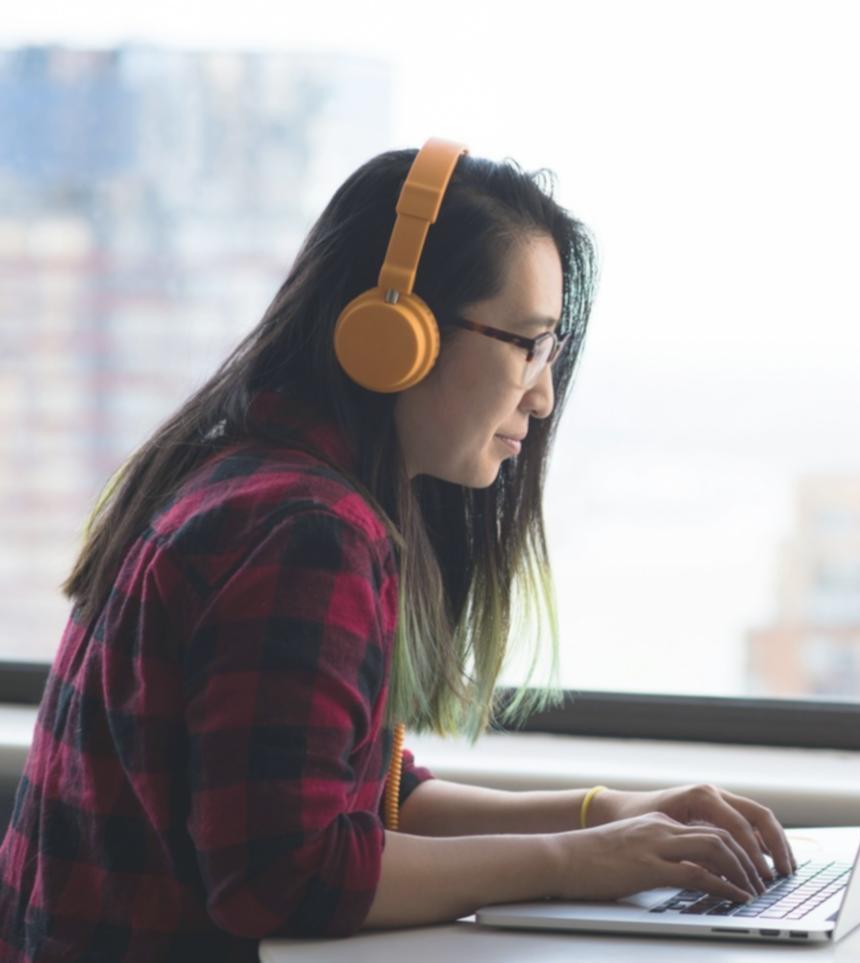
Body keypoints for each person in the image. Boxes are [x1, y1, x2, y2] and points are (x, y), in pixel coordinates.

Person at [0, 138, 795, 961]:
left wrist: (607, 813)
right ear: (395, 332)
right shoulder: (304, 532)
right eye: (527, 342)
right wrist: (574, 863)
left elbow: (364, 797)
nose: (545, 392)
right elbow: (287, 871)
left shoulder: (257, 478)